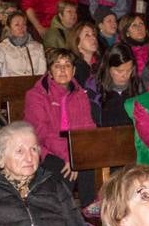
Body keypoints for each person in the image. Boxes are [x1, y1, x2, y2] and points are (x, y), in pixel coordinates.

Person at [22, 47, 97, 198]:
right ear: (49, 72)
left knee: (89, 166)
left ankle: (88, 213)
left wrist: (79, 155)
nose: (63, 70)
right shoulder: (36, 96)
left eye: (67, 65)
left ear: (74, 70)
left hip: (73, 151)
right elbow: (43, 134)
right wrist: (69, 156)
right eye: (57, 65)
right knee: (64, 171)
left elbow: (88, 128)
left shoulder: (80, 94)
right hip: (42, 149)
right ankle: (63, 216)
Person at [91, 42, 138, 127]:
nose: (125, 75)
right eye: (119, 71)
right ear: (108, 68)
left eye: (129, 70)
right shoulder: (95, 91)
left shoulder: (139, 88)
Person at [0, 9, 44, 77]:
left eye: (24, 24)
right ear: (9, 28)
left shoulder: (38, 47)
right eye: (17, 25)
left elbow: (42, 74)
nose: (21, 27)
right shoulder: (2, 48)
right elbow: (3, 74)